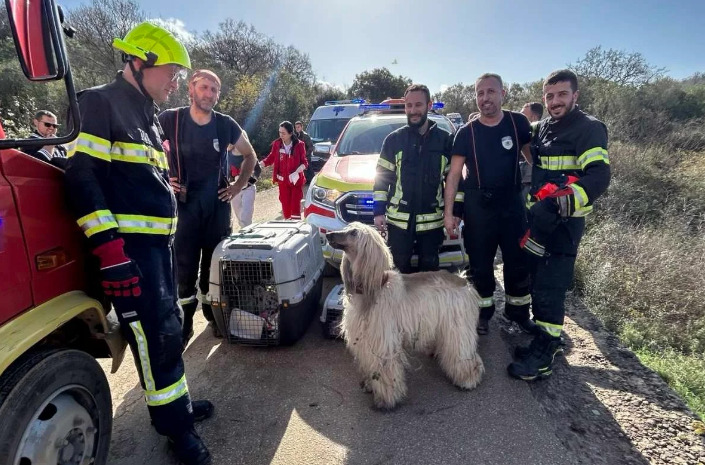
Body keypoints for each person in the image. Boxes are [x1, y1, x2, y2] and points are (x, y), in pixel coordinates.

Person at [64, 22, 214, 464]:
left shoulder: (146, 114)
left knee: (168, 329)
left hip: (157, 250)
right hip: (128, 253)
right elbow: (82, 176)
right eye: (170, 71)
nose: (176, 81)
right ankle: (177, 432)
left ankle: (178, 408)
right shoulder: (100, 102)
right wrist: (109, 251)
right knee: (157, 339)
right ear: (139, 62)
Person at [508, 69, 610, 381]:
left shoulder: (589, 128)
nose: (555, 101)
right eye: (550, 96)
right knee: (538, 282)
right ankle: (543, 338)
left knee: (551, 286)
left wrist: (557, 203)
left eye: (562, 95)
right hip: (539, 223)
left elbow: (599, 176)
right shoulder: (543, 128)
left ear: (575, 96)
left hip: (564, 225)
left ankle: (545, 354)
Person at [159, 69, 256, 343]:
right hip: (184, 207)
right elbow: (145, 150)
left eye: (214, 90)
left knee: (215, 267)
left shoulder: (225, 124)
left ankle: (213, 317)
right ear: (191, 88)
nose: (209, 94)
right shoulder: (170, 119)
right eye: (204, 87)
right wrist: (164, 178)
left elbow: (249, 155)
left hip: (216, 206)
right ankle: (185, 323)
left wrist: (238, 187)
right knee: (184, 269)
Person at [443, 73, 533, 336]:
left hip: (513, 206)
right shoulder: (466, 132)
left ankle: (518, 313)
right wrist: (450, 214)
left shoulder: (518, 124)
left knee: (517, 262)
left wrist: (545, 196)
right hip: (479, 207)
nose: (485, 98)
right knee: (480, 265)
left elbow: (534, 161)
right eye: (480, 93)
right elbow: (454, 175)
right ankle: (483, 312)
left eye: (491, 92)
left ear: (503, 94)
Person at [374, 83, 458, 273]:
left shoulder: (445, 141)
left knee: (429, 278)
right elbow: (381, 180)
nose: (413, 110)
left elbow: (454, 182)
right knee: (397, 275)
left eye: (418, 105)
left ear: (429, 105)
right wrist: (378, 211)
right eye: (409, 105)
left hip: (432, 224)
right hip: (398, 224)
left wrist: (454, 213)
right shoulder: (393, 140)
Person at [260, 121, 307, 219]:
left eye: (283, 133)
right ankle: (287, 224)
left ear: (290, 133)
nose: (281, 135)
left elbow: (305, 162)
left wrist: (299, 170)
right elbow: (271, 157)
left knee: (295, 207)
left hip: (295, 181)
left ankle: (295, 227)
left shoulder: (299, 145)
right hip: (283, 182)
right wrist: (260, 164)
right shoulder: (277, 144)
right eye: (280, 132)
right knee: (285, 207)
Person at [229, 130, 261, 228]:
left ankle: (248, 234)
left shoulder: (250, 154)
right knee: (239, 216)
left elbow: (257, 171)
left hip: (249, 188)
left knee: (246, 216)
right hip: (234, 189)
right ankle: (245, 230)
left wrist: (249, 181)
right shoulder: (228, 155)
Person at [519, 102, 544, 199]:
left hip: (530, 183)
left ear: (534, 117)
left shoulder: (540, 136)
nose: (519, 118)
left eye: (523, 115)